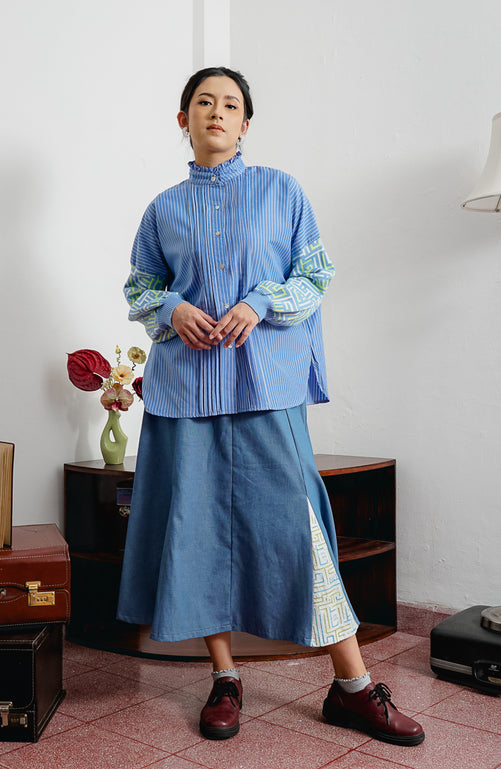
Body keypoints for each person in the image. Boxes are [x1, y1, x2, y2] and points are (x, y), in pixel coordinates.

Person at [117, 66, 424, 748]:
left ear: (245, 123)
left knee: (299, 528)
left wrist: (260, 301)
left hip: (265, 385)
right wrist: (172, 308)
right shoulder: (162, 209)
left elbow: (315, 274)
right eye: (203, 102)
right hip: (186, 392)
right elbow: (139, 287)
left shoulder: (282, 191)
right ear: (183, 120)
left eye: (230, 104)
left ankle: (351, 687)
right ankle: (224, 677)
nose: (216, 113)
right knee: (194, 530)